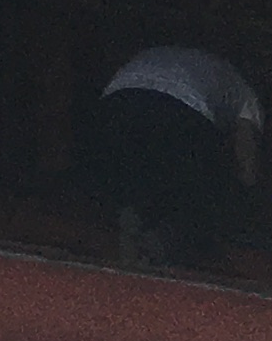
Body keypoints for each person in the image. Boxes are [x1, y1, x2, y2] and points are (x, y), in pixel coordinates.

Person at [97, 44, 262, 272]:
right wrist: (246, 197)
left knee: (129, 183)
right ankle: (161, 256)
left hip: (119, 99)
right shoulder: (242, 90)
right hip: (181, 107)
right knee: (185, 195)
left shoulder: (175, 58)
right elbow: (245, 150)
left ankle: (129, 251)